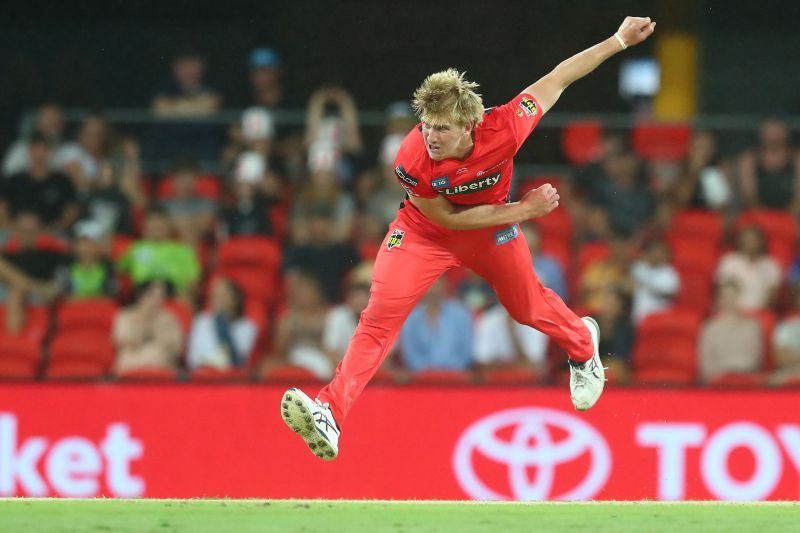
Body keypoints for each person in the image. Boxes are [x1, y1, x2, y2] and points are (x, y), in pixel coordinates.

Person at [281, 16, 657, 461]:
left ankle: (582, 346)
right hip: (426, 232)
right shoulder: (411, 157)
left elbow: (559, 78)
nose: (431, 137)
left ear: (467, 125)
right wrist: (525, 210)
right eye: (426, 125)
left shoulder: (505, 127)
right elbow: (446, 218)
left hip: (490, 231)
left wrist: (617, 40)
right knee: (379, 317)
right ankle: (330, 411)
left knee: (527, 307)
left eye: (441, 128)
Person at [117, 208, 201, 303]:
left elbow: (193, 281)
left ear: (168, 225)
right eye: (152, 222)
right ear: (145, 226)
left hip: (173, 295)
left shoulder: (182, 250)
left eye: (159, 222)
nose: (156, 226)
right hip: (143, 295)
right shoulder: (135, 248)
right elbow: (118, 271)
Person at [1, 132, 79, 233]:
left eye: (43, 149)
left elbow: (71, 211)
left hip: (52, 233)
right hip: (15, 233)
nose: (39, 154)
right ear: (29, 151)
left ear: (50, 152)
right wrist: (14, 229)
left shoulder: (63, 181)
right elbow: (2, 209)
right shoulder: (14, 180)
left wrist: (49, 230)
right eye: (35, 149)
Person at [399, 278, 473, 372]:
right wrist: (426, 371)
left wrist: (450, 371)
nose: (433, 290)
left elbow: (466, 351)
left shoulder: (461, 314)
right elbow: (410, 353)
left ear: (445, 286)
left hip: (456, 377)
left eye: (437, 285)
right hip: (421, 378)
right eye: (430, 285)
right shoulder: (411, 318)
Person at [112, 280, 184, 375]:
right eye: (152, 296)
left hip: (160, 363)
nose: (157, 300)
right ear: (141, 296)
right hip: (130, 363)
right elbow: (124, 341)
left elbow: (176, 347)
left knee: (157, 354)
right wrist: (145, 323)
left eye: (161, 296)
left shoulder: (170, 318)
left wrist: (158, 327)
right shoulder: (125, 316)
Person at [187, 277, 258, 370]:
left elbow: (236, 361)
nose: (217, 300)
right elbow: (193, 358)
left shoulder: (248, 327)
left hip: (230, 379)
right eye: (215, 296)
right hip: (202, 375)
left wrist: (221, 321)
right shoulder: (202, 320)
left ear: (235, 299)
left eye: (223, 295)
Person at [699, 281, 763, 383]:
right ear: (719, 300)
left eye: (733, 296)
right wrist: (723, 375)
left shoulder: (752, 326)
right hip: (717, 382)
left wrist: (734, 373)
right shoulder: (710, 328)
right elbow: (706, 364)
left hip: (745, 380)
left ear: (740, 298)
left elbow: (755, 360)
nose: (729, 300)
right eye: (725, 296)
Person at [715, 225, 780, 311]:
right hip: (733, 311)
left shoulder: (771, 265)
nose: (751, 242)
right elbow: (722, 291)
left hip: (760, 312)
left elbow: (772, 297)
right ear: (740, 241)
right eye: (747, 239)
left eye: (754, 239)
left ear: (762, 241)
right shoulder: (729, 262)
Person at [322, 263, 373, 367]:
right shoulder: (337, 316)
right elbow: (331, 352)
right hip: (342, 372)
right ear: (348, 298)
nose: (360, 301)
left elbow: (385, 359)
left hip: (371, 374)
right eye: (355, 296)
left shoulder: (383, 318)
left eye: (364, 296)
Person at [58, 220, 117, 299]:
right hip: (72, 310)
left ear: (99, 245)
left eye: (89, 242)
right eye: (80, 242)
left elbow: (111, 297)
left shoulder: (109, 269)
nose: (84, 247)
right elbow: (61, 296)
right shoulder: (65, 268)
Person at [3, 103, 65, 177]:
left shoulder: (66, 150)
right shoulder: (20, 148)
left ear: (62, 124)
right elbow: (8, 176)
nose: (51, 123)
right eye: (48, 119)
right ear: (38, 123)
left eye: (55, 119)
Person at [630, 238, 680, 324]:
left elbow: (672, 294)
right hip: (636, 318)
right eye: (654, 251)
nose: (657, 254)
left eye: (660, 252)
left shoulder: (669, 273)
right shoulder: (639, 268)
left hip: (658, 319)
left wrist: (651, 288)